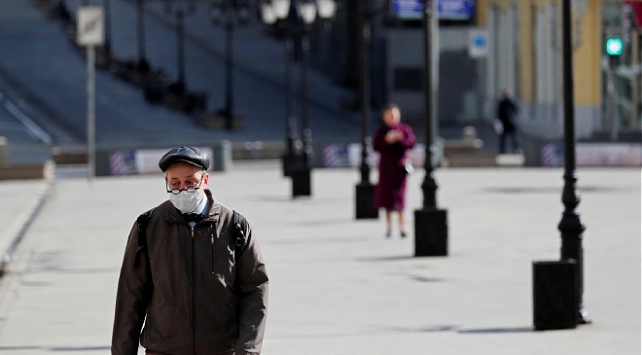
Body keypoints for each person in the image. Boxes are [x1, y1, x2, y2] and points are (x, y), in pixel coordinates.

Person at [112, 146, 269, 355]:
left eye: (190, 182)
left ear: (205, 180)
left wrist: (248, 350)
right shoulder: (148, 226)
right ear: (166, 183)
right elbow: (131, 294)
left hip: (221, 350)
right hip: (164, 350)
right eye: (175, 183)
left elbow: (255, 289)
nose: (183, 189)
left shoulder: (234, 225)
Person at [373, 104, 416, 238]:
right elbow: (376, 146)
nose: (392, 118)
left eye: (394, 115)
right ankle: (389, 227)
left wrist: (399, 139)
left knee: (400, 198)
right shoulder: (382, 131)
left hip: (399, 168)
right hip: (386, 168)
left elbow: (411, 143)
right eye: (389, 115)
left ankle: (402, 226)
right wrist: (387, 141)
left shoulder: (404, 129)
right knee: (386, 199)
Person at [496, 88, 522, 154]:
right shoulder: (510, 102)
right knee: (512, 138)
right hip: (510, 123)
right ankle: (516, 150)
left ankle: (503, 151)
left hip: (507, 123)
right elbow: (517, 111)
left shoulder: (503, 103)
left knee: (509, 139)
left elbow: (498, 113)